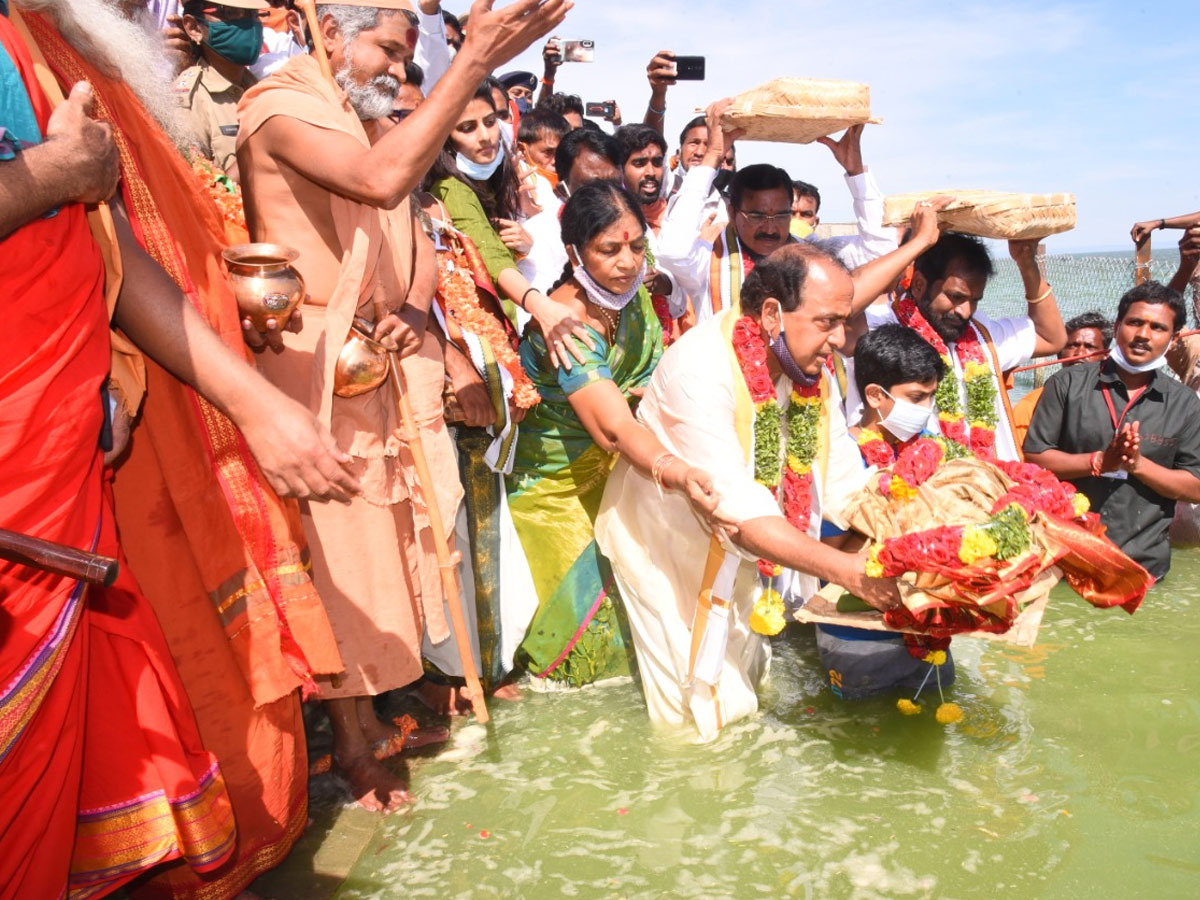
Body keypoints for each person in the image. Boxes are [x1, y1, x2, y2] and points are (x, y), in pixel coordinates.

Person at [236, 0, 571, 812]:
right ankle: (351, 750)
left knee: (401, 536)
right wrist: (477, 60)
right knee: (345, 555)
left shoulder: (355, 116)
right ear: (330, 34)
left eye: (405, 53)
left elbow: (413, 223)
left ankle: (392, 700)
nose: (396, 67)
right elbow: (383, 182)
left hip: (380, 362)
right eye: (388, 48)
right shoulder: (281, 105)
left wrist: (414, 304)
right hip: (316, 366)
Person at [595, 244, 901, 741]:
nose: (841, 340)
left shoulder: (810, 372)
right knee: (695, 719)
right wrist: (849, 573)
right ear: (772, 314)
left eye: (845, 321)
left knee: (747, 693)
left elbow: (846, 478)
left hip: (753, 561)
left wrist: (923, 527)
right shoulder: (701, 368)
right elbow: (738, 513)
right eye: (826, 322)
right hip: (672, 556)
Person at [507, 181, 723, 688]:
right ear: (573, 252)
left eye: (637, 246)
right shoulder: (568, 323)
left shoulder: (633, 298)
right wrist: (678, 469)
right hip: (554, 490)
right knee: (583, 646)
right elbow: (613, 428)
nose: (628, 262)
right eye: (609, 249)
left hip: (621, 477)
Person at [815, 324, 956, 700]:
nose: (927, 409)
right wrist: (885, 516)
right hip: (857, 631)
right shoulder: (843, 459)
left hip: (929, 623)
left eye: (931, 397)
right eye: (916, 397)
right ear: (876, 395)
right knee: (859, 738)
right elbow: (830, 555)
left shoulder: (933, 450)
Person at [1024, 282, 1200, 580]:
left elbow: (1195, 486)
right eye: (1134, 322)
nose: (1143, 335)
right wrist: (1099, 462)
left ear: (1174, 338)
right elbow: (1034, 457)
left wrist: (1138, 465)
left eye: (1158, 328)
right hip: (1063, 563)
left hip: (1143, 570)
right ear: (1118, 326)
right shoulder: (1066, 385)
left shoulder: (1184, 403)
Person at [866, 231, 1067, 461]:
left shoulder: (980, 334)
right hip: (914, 487)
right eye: (955, 297)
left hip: (987, 483)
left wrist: (1026, 263)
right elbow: (848, 305)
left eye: (974, 300)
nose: (965, 311)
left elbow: (1051, 337)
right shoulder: (883, 329)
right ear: (920, 284)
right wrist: (919, 242)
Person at [174, 0, 264, 180]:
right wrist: (258, 148)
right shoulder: (191, 100)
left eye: (253, 13)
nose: (249, 24)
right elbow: (197, 192)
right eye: (232, 12)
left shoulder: (262, 88)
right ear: (194, 28)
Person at [1011, 312, 1111, 448]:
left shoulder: (1114, 400)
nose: (1079, 354)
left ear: (1105, 356)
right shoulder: (1030, 405)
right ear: (1060, 354)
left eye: (1089, 347)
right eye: (1072, 346)